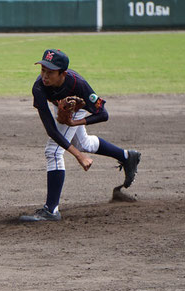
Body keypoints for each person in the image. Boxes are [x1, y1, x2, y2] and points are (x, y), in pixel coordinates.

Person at [20, 49, 141, 222]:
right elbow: (51, 129)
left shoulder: (79, 85)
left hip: (76, 109)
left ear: (63, 73)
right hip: (61, 107)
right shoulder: (39, 87)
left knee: (53, 151)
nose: (45, 76)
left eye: (50, 72)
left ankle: (51, 210)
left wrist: (75, 123)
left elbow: (103, 114)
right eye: (43, 70)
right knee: (83, 144)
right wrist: (78, 153)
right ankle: (127, 156)